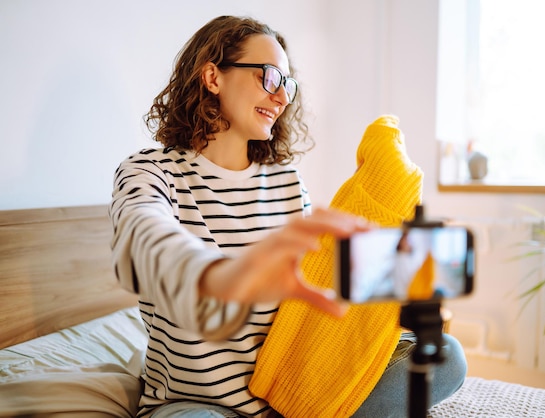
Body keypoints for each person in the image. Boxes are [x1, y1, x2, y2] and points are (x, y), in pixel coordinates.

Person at [109, 15, 466, 418]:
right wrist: (226, 276)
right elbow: (144, 240)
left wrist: (389, 277)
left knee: (446, 355)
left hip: (287, 399)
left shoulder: (286, 183)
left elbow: (313, 297)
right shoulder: (150, 171)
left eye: (288, 85)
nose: (282, 98)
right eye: (270, 77)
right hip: (194, 404)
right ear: (213, 76)